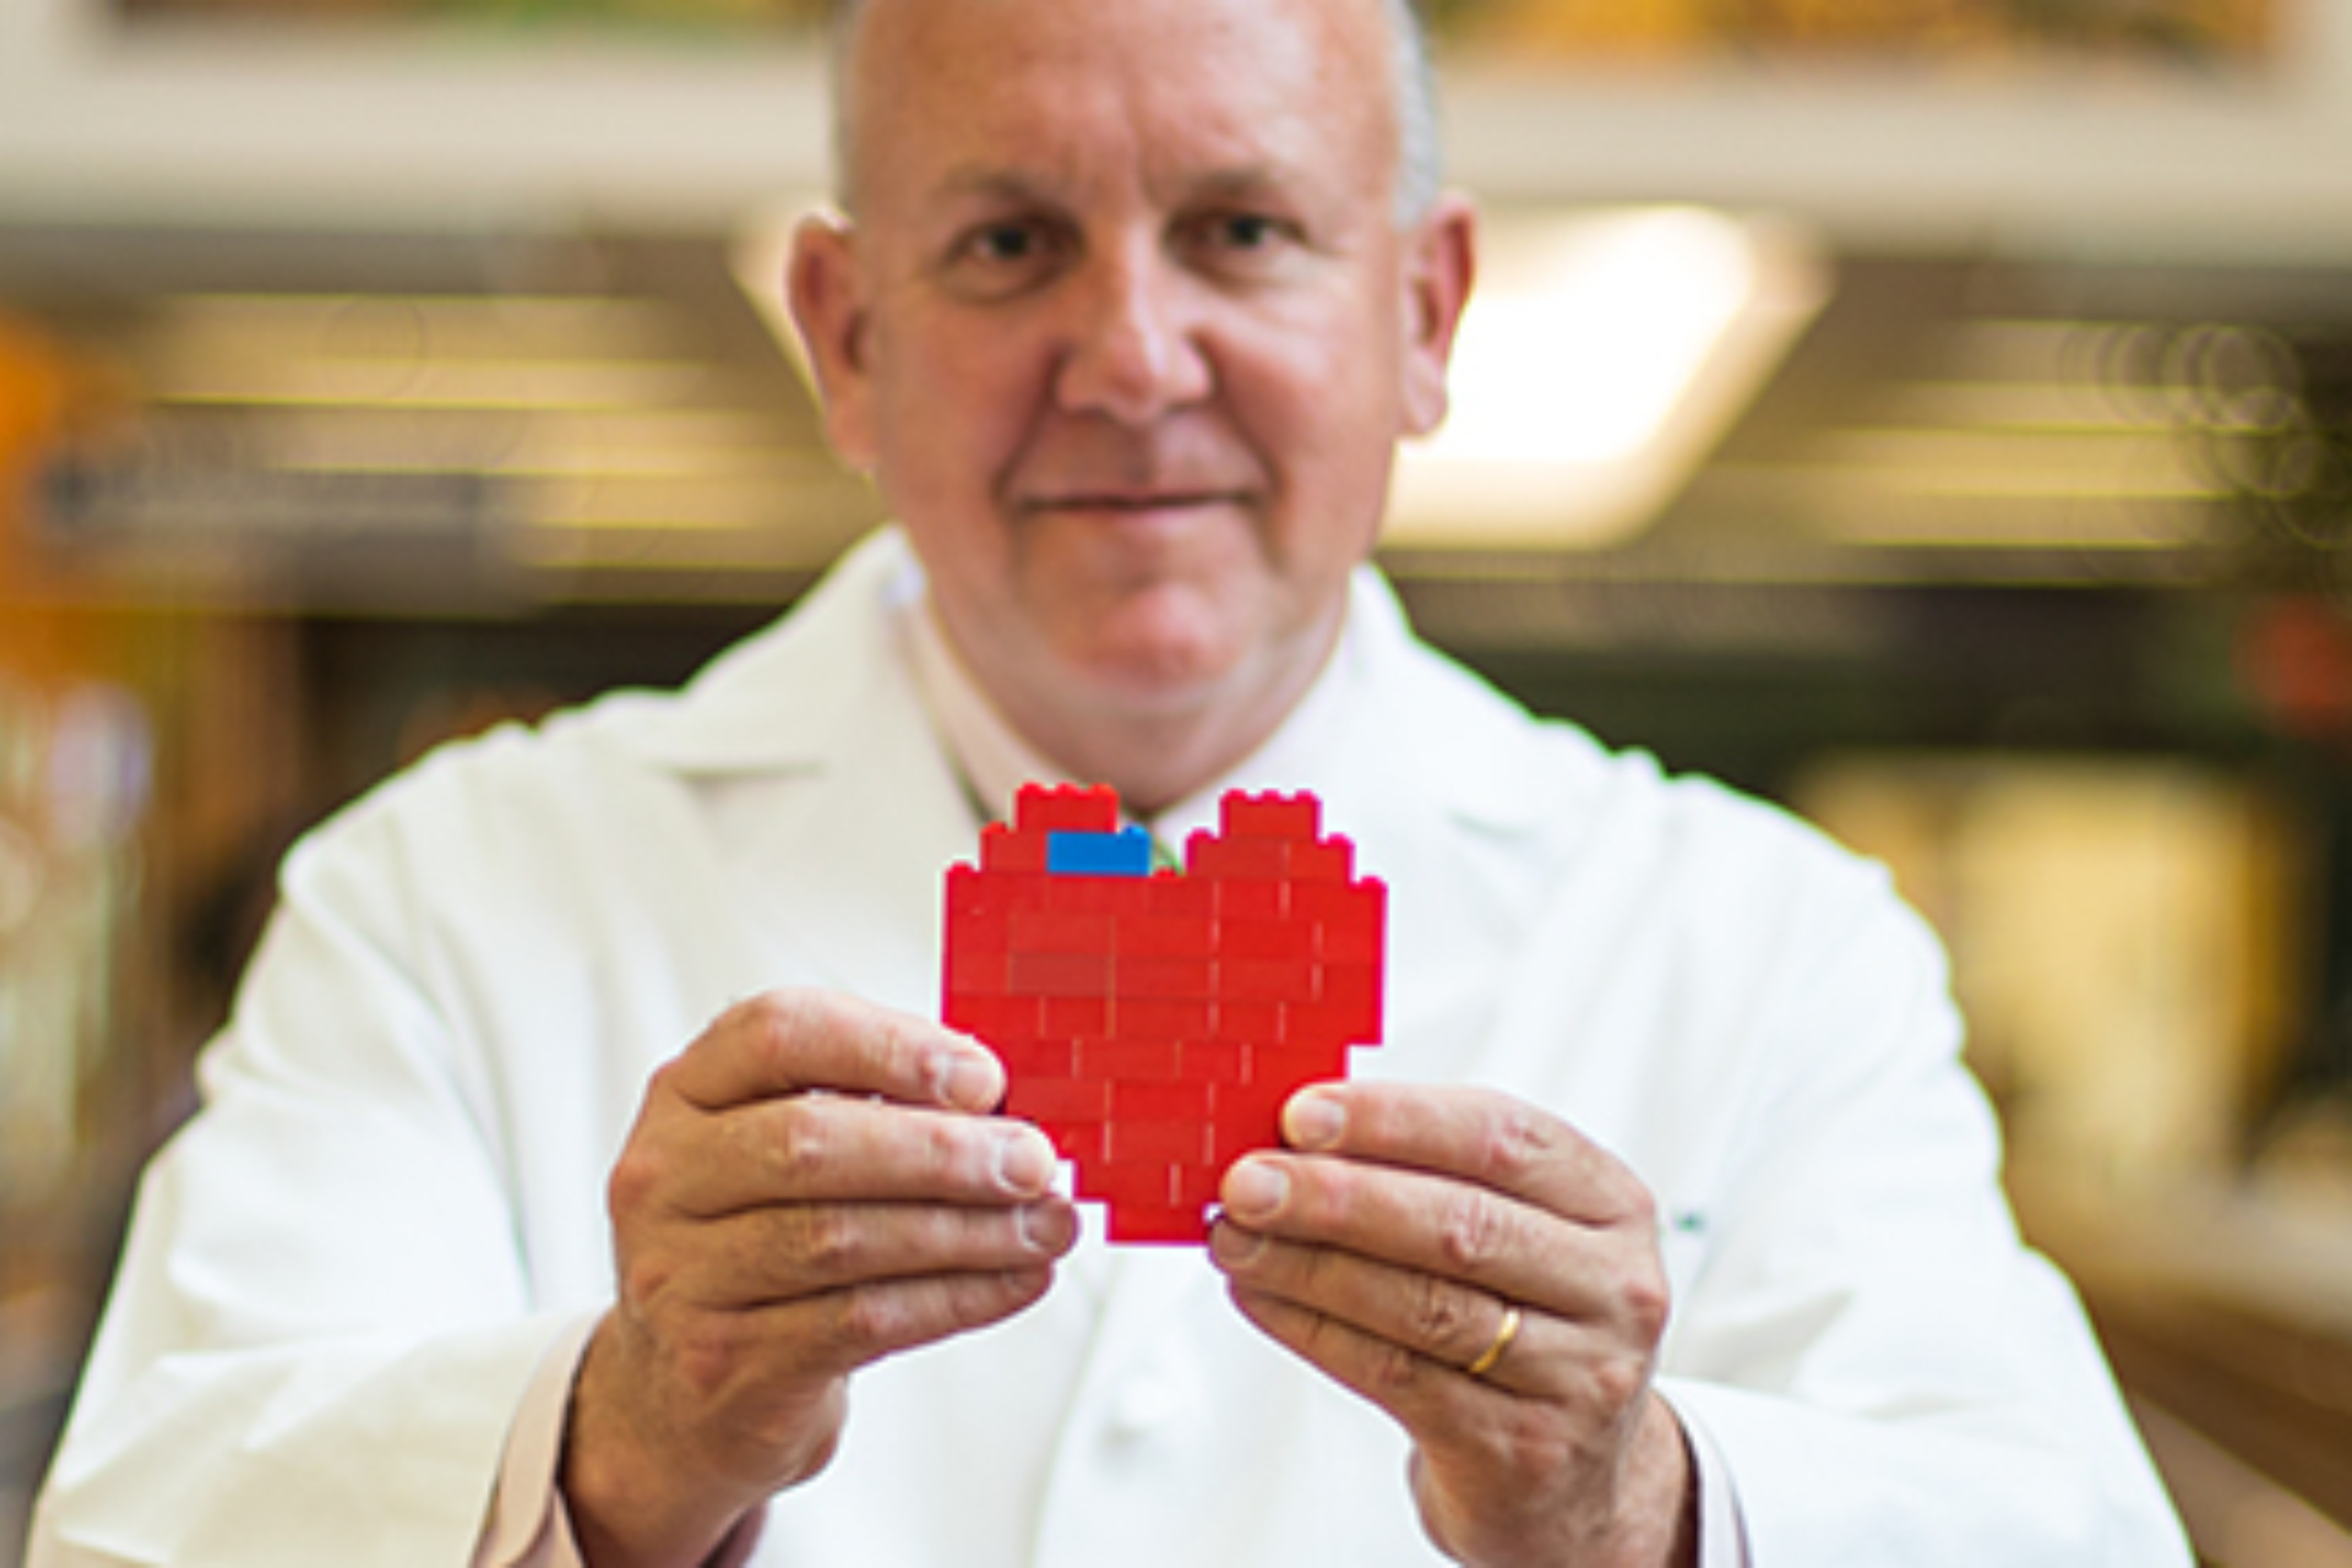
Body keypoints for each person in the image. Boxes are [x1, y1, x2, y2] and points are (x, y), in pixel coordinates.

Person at [31, 0, 2191, 1562]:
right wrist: (616, 1439)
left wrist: (1634, 1497)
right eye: (1004, 243)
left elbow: (2062, 1535)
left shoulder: (1761, 943)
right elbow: (145, 1528)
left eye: (1241, 230)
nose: (1132, 357)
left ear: (1425, 311)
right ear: (843, 331)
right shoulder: (441, 895)